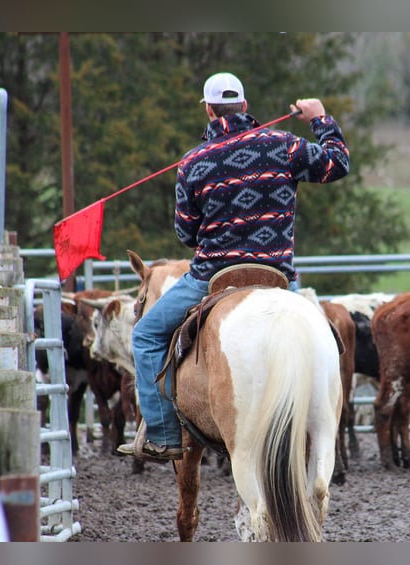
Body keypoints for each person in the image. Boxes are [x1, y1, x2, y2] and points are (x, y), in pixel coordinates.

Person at [117, 71, 350, 461]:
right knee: (323, 338)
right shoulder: (284, 145)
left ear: (209, 110)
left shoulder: (192, 163)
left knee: (145, 335)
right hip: (276, 275)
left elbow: (185, 235)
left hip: (212, 276)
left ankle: (161, 434)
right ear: (244, 106)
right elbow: (337, 163)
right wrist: (319, 117)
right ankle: (324, 428)